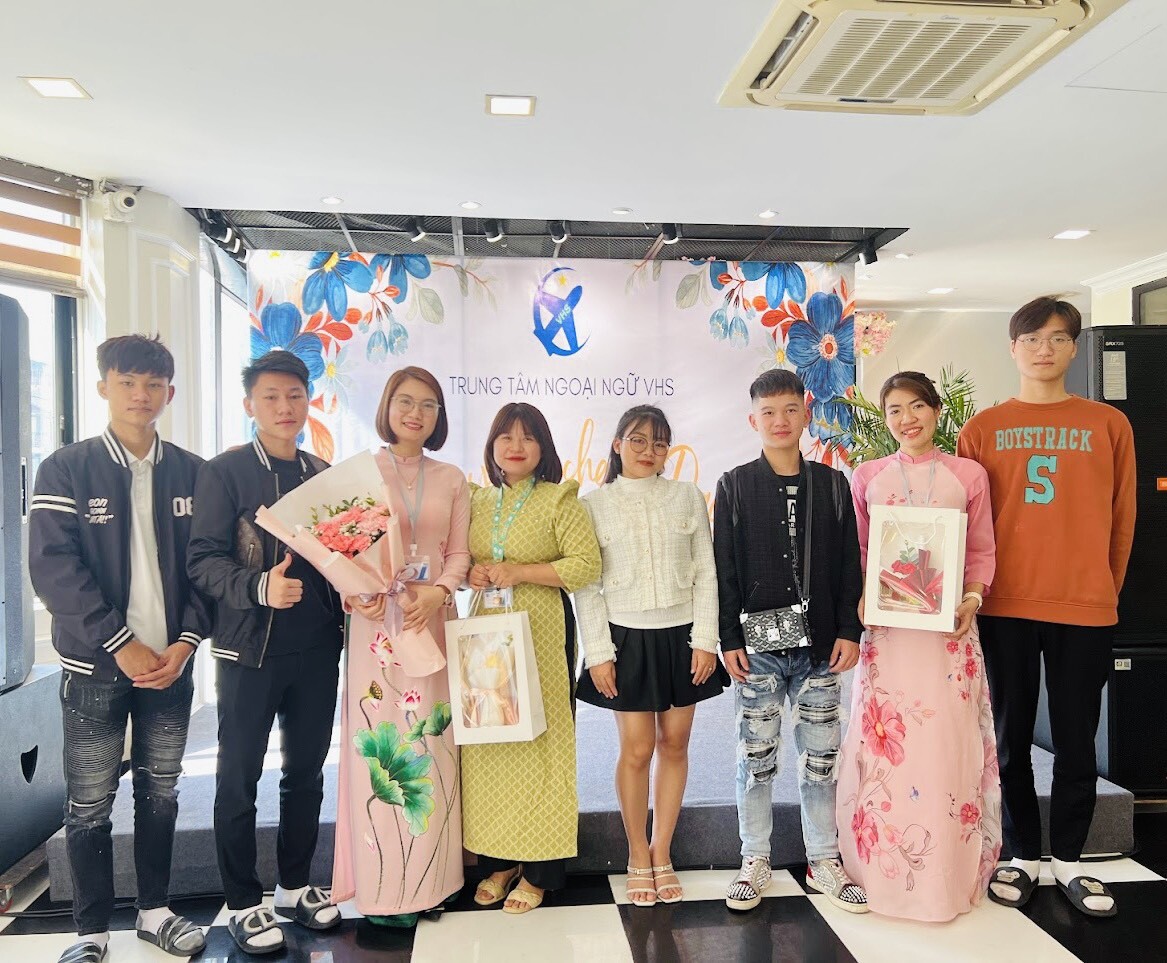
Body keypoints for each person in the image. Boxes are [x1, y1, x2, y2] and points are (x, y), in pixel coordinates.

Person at [29, 334, 209, 963]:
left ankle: (155, 912)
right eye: (127, 382)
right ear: (103, 385)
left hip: (171, 665)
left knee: (161, 792)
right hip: (94, 668)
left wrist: (186, 642)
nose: (140, 395)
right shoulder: (66, 468)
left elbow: (206, 568)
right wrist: (120, 643)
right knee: (89, 802)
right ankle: (90, 930)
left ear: (170, 393)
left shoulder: (193, 472)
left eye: (153, 384)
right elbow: (54, 570)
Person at [958, 296, 1136, 919]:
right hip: (1004, 604)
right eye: (1032, 338)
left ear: (1074, 349)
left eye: (1058, 338)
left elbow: (1123, 517)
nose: (1044, 349)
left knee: (1076, 739)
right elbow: (967, 525)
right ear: (1013, 349)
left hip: (1084, 604)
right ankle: (1022, 854)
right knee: (1010, 736)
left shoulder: (1109, 425)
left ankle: (1070, 858)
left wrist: (1104, 587)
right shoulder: (982, 429)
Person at [187, 351, 343, 954]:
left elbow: (341, 556)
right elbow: (202, 560)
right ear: (250, 404)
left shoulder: (321, 473)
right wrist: (258, 588)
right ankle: (242, 901)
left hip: (316, 649)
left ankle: (294, 886)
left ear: (308, 402)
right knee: (238, 777)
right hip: (247, 650)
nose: (285, 407)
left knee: (306, 772)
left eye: (295, 396)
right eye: (271, 397)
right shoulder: (224, 472)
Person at [836, 371, 1002, 921]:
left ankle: (945, 875)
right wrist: (863, 594)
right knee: (889, 746)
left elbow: (980, 549)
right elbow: (862, 551)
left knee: (946, 744)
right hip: (890, 638)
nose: (906, 419)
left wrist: (972, 599)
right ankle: (884, 872)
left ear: (935, 411)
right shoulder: (869, 477)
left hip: (947, 637)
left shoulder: (967, 475)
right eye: (894, 410)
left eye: (917, 407)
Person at [715, 368, 868, 914]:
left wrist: (849, 629)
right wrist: (728, 636)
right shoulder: (734, 484)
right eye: (768, 412)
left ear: (806, 414)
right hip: (759, 640)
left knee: (821, 757)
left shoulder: (832, 484)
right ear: (752, 420)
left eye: (789, 410)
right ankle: (753, 858)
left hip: (821, 643)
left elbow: (850, 563)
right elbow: (725, 567)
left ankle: (823, 859)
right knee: (755, 756)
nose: (779, 421)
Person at [332, 366, 470, 927]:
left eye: (429, 405)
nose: (417, 413)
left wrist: (440, 592)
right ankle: (384, 888)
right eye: (406, 401)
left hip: (431, 621)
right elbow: (341, 550)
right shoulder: (361, 472)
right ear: (387, 406)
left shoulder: (452, 477)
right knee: (379, 742)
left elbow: (458, 552)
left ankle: (434, 880)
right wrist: (353, 594)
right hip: (377, 629)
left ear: (439, 416)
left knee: (433, 741)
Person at [575, 404, 728, 906]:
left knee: (676, 743)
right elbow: (588, 586)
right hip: (626, 639)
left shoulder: (686, 497)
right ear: (617, 444)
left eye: (659, 443)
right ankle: (636, 853)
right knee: (638, 749)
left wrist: (705, 639)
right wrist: (599, 652)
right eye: (638, 440)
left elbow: (707, 572)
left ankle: (662, 851)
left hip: (682, 636)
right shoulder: (594, 505)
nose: (649, 451)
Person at [462, 403, 601, 914]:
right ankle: (500, 862)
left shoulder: (559, 499)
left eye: (528, 437)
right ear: (492, 446)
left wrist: (520, 571)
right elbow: (458, 560)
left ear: (543, 447)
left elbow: (585, 565)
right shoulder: (476, 500)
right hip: (486, 634)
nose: (516, 446)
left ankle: (540, 870)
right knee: (490, 740)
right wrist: (471, 573)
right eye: (506, 437)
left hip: (542, 630)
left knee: (542, 740)